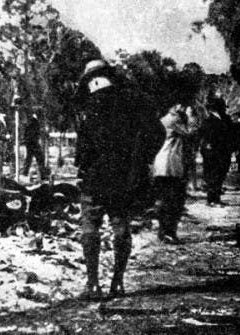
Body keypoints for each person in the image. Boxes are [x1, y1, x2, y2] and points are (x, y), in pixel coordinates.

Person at [74, 59, 157, 300]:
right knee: (120, 225)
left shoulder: (89, 110)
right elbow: (156, 133)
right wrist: (142, 160)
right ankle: (118, 282)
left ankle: (93, 284)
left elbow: (82, 152)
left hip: (95, 179)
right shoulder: (131, 106)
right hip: (123, 178)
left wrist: (85, 168)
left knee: (90, 226)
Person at [151, 104, 198, 244]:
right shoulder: (173, 120)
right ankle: (168, 232)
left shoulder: (164, 119)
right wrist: (191, 117)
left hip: (163, 165)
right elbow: (190, 132)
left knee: (166, 200)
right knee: (173, 201)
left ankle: (164, 232)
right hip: (170, 165)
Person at [199, 97, 233, 207]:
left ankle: (216, 197)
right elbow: (204, 135)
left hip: (224, 150)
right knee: (213, 174)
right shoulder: (208, 120)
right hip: (212, 151)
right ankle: (211, 199)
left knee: (221, 173)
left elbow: (231, 133)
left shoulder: (226, 119)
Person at [21, 111, 48, 181]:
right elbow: (34, 133)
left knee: (29, 159)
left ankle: (25, 173)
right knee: (40, 158)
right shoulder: (35, 122)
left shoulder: (31, 121)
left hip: (30, 143)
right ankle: (42, 175)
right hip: (33, 143)